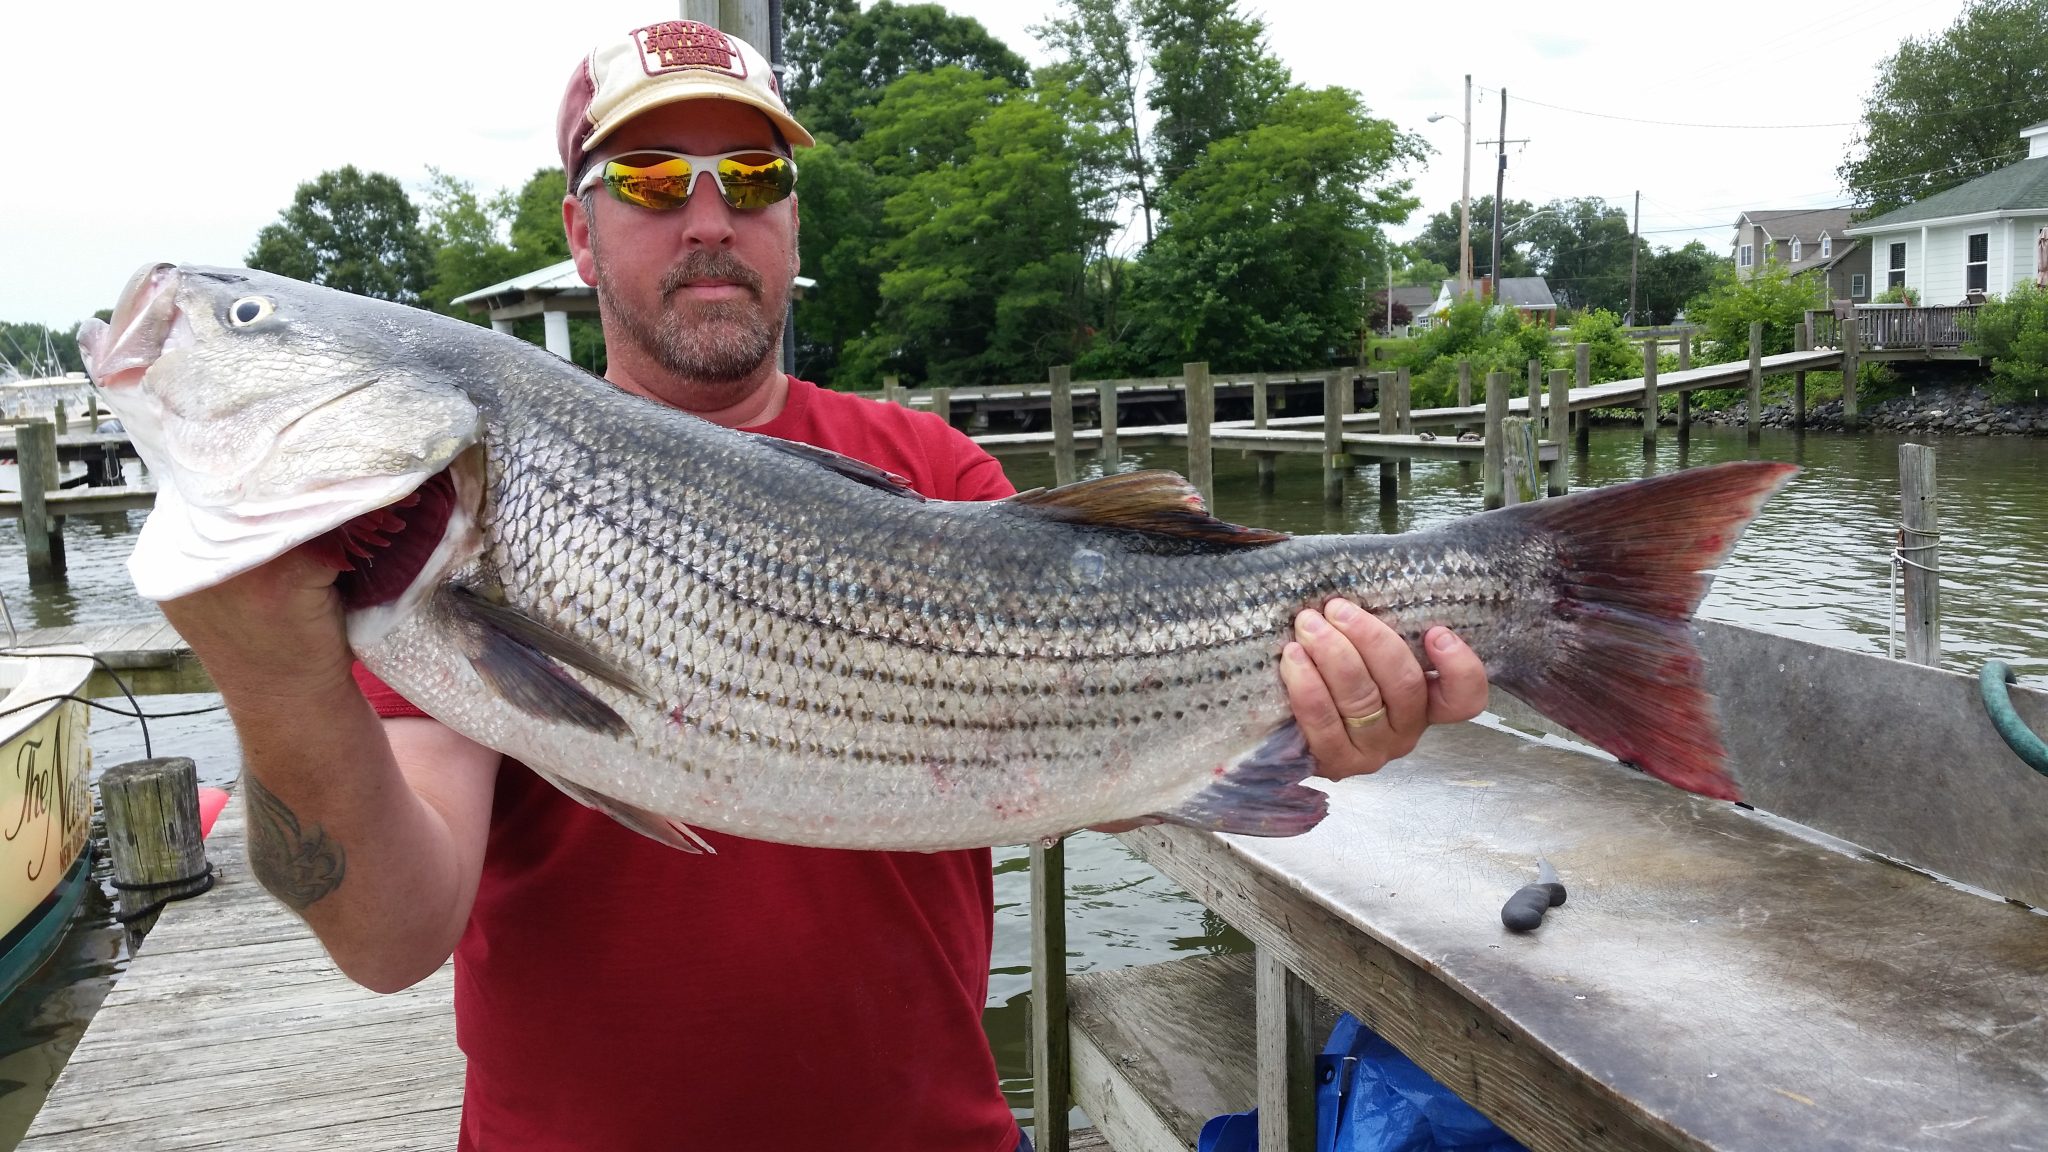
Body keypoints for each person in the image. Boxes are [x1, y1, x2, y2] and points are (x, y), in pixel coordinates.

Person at [159, 20, 1491, 1152]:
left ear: (794, 219)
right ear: (579, 228)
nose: (708, 215)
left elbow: (1098, 761)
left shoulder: (930, 467)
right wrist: (270, 669)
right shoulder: (434, 534)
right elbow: (390, 937)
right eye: (649, 179)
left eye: (752, 174)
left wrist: (1304, 707)